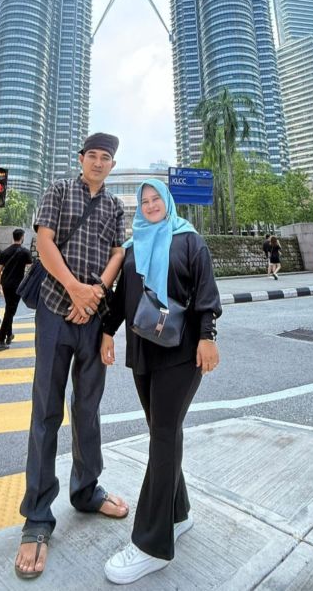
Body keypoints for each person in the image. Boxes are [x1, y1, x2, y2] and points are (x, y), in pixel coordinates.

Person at [14, 132, 128, 581]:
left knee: (88, 408)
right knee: (46, 410)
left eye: (106, 158)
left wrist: (96, 291)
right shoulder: (59, 191)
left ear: (112, 166)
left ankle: (86, 489)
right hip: (55, 313)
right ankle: (38, 516)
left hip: (93, 316)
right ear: (81, 159)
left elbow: (118, 252)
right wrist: (75, 289)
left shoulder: (116, 207)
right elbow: (45, 242)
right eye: (93, 156)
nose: (99, 163)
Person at [100, 179, 221, 584]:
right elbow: (122, 298)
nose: (151, 205)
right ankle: (177, 513)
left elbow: (205, 291)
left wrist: (208, 337)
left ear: (167, 202)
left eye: (156, 200)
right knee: (163, 432)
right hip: (143, 354)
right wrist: (105, 331)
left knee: (163, 437)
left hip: (182, 352)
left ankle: (151, 544)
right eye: (145, 201)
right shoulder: (134, 246)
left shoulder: (188, 240)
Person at [0, 228, 32, 352]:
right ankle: (0, 340)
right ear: (22, 237)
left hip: (6, 283)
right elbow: (30, 269)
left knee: (9, 308)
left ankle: (9, 335)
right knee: (10, 312)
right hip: (17, 285)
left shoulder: (5, 252)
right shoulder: (25, 252)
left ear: (13, 237)